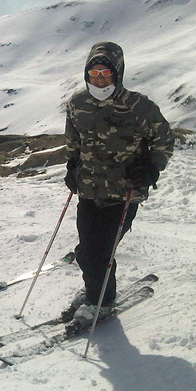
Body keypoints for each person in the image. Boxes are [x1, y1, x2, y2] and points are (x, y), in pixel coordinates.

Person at [63, 42, 174, 328]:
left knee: (98, 251)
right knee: (87, 249)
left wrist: (150, 169)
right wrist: (71, 165)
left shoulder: (139, 107)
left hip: (124, 192)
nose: (100, 79)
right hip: (88, 190)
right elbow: (73, 140)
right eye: (94, 73)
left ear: (118, 73)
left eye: (106, 73)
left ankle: (101, 302)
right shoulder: (78, 104)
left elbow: (164, 141)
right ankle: (94, 291)